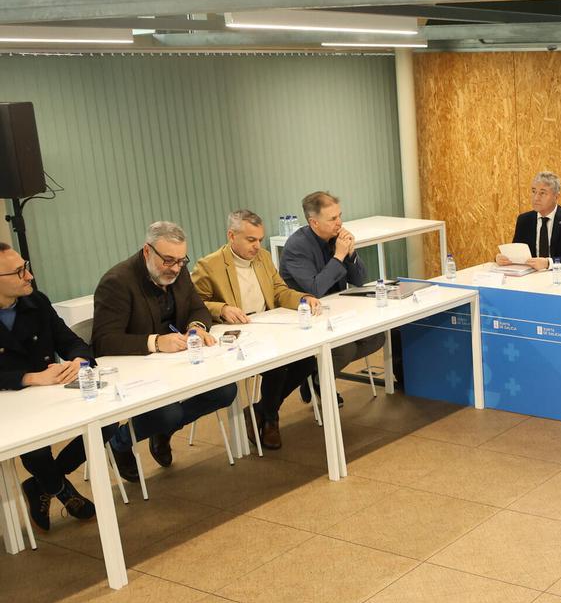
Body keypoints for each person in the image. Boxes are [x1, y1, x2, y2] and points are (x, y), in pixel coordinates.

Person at [91, 221, 238, 482]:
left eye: (181, 261)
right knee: (168, 412)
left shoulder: (178, 273)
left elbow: (198, 308)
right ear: (147, 251)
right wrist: (155, 342)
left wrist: (196, 327)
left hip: (177, 364)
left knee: (226, 391)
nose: (175, 268)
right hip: (138, 370)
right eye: (168, 261)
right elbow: (104, 341)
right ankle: (120, 442)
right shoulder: (117, 282)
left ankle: (163, 430)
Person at [0, 244, 111, 529]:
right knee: (35, 448)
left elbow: (70, 340)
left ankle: (42, 485)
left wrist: (78, 360)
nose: (30, 275)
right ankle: (63, 491)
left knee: (107, 422)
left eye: (25, 266)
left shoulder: (36, 301)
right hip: (11, 406)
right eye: (19, 271)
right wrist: (28, 378)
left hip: (53, 392)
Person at [193, 209, 322, 450]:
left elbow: (279, 291)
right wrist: (221, 308)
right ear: (232, 236)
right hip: (238, 338)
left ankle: (261, 410)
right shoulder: (209, 265)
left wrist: (304, 298)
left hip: (267, 329)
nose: (257, 246)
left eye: (260, 240)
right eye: (251, 240)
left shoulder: (262, 258)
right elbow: (193, 305)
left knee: (307, 359)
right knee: (278, 365)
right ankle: (271, 420)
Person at [280, 191, 385, 376]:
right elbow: (315, 289)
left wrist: (351, 254)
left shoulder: (336, 238)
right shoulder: (297, 246)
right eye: (333, 218)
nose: (340, 223)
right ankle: (318, 381)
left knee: (377, 337)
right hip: (309, 316)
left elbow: (359, 281)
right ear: (314, 222)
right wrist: (339, 256)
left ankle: (318, 373)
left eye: (340, 216)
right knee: (345, 350)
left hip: (338, 310)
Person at [497, 172, 561, 271]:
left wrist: (548, 263)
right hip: (532, 277)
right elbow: (516, 252)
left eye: (542, 193)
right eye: (534, 191)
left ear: (556, 196)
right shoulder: (524, 220)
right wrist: (503, 259)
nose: (536, 198)